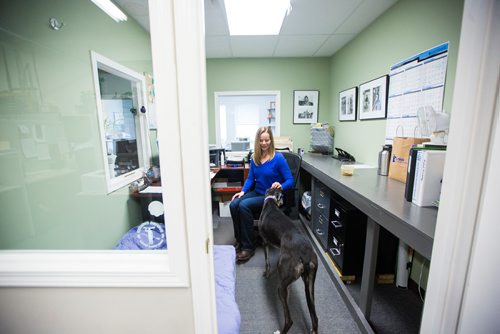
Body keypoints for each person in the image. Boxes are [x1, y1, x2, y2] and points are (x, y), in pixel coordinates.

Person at [229, 126, 294, 262]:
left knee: (244, 206)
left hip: (271, 197)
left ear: (271, 141)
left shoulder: (278, 158)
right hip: (258, 192)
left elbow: (290, 180)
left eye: (267, 140)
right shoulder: (255, 158)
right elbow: (250, 178)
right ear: (257, 141)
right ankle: (240, 240)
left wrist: (281, 185)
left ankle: (248, 247)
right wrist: (242, 191)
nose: (264, 143)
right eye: (261, 140)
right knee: (234, 204)